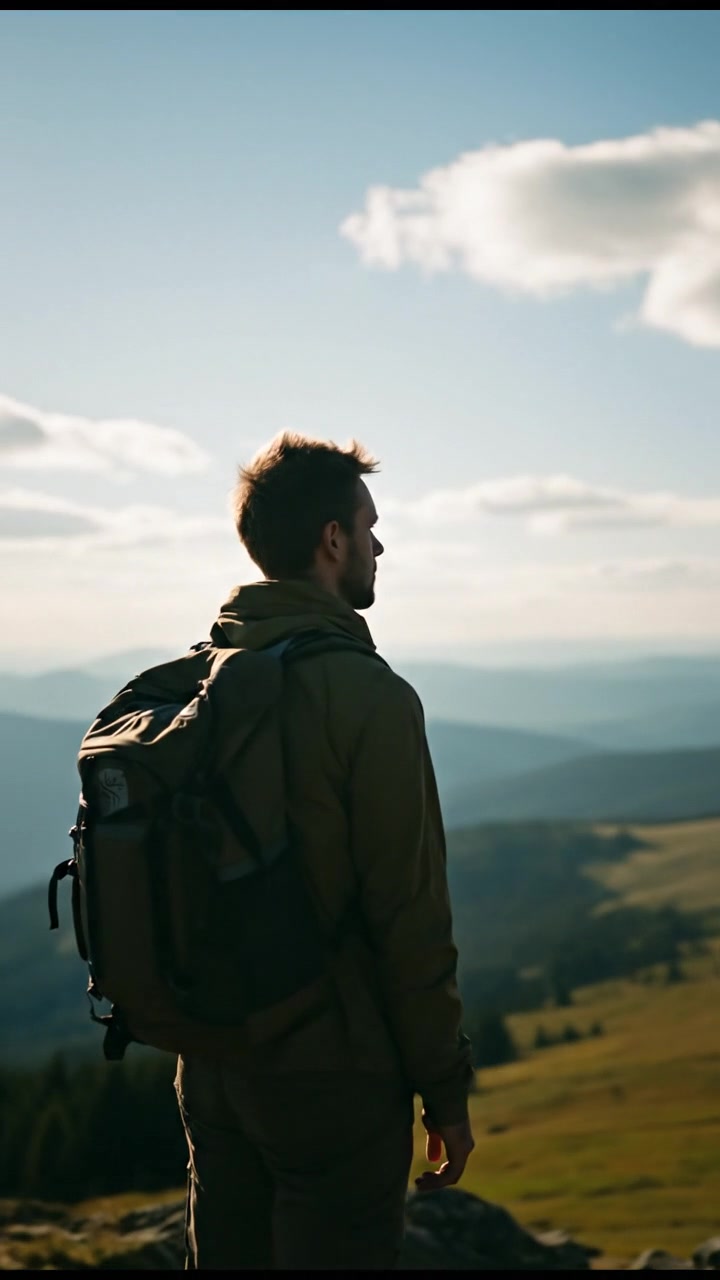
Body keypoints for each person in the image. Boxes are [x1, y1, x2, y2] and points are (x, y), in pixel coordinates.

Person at [174, 432, 474, 1270]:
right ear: (332, 541)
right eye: (369, 525)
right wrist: (445, 1091)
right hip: (331, 1071)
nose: (380, 543)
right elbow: (409, 917)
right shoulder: (369, 697)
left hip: (212, 1060)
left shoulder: (208, 674)